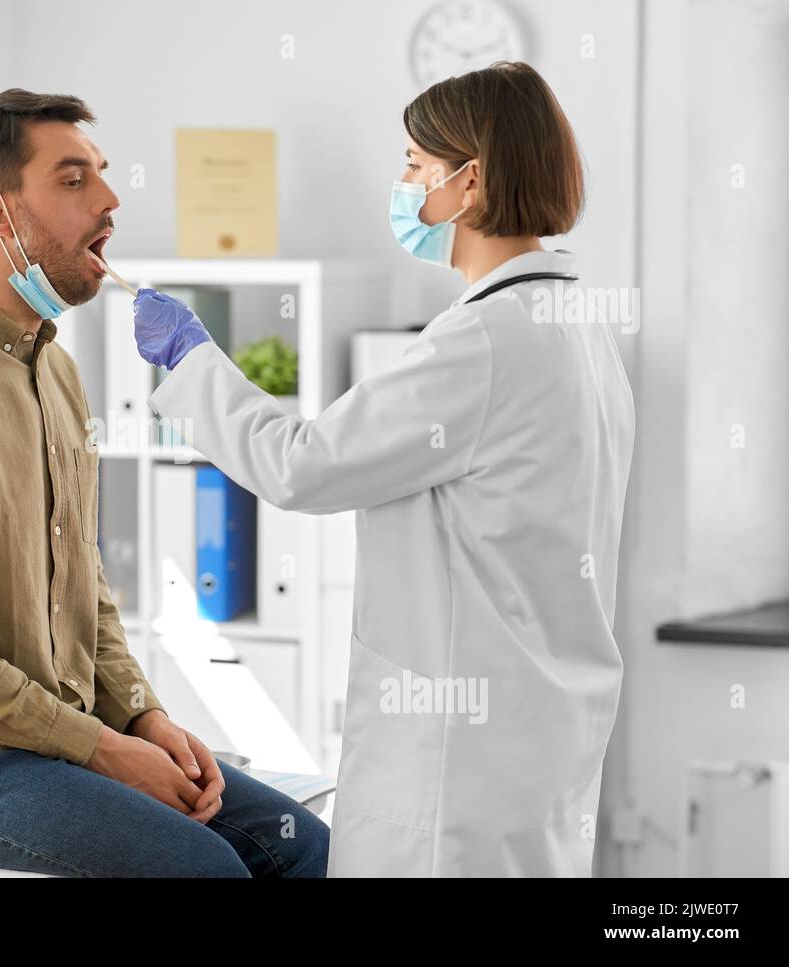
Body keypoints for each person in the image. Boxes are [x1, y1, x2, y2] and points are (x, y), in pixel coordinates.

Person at [0, 88, 329, 877]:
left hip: (45, 743)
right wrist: (103, 749)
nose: (110, 201)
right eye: (74, 180)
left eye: (103, 176)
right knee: (203, 869)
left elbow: (86, 587)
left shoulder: (56, 369)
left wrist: (141, 716)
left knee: (311, 852)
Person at [133, 62, 635, 876]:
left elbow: (304, 466)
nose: (402, 184)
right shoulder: (578, 329)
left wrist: (192, 364)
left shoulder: (482, 342)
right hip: (538, 738)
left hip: (453, 769)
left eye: (413, 163)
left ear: (468, 181)